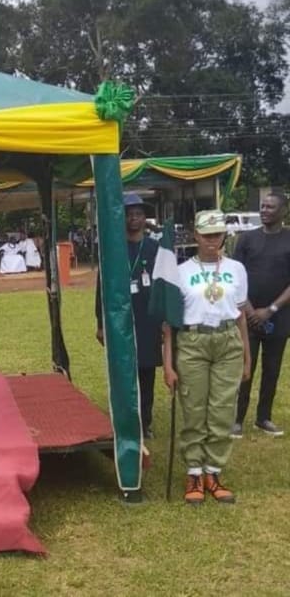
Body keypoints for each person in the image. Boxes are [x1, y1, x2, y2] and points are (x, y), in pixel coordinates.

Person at [162, 210, 251, 505]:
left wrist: (247, 358)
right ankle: (194, 472)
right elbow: (168, 324)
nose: (213, 239)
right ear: (195, 235)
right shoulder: (180, 271)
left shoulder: (237, 269)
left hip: (227, 342)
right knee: (194, 409)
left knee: (223, 410)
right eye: (207, 234)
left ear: (224, 235)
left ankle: (213, 471)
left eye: (217, 233)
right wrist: (168, 365)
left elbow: (240, 317)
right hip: (193, 342)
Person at [96, 193, 162, 439]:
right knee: (123, 372)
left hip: (149, 319)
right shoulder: (112, 249)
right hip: (120, 318)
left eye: (138, 214)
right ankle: (124, 420)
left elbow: (166, 285)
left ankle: (145, 422)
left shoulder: (156, 249)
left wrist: (166, 323)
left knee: (146, 373)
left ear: (145, 218)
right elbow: (101, 288)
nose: (133, 219)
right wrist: (101, 324)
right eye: (128, 215)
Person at [232, 192, 290, 437]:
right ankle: (237, 419)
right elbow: (235, 275)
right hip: (248, 316)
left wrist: (271, 309)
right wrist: (250, 309)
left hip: (279, 316)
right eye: (263, 206)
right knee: (246, 366)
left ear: (284, 211)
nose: (265, 210)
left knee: (272, 368)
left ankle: (263, 417)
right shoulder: (247, 239)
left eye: (271, 207)